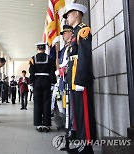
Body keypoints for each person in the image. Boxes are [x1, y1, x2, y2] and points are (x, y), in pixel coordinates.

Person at [63, 3, 96, 153]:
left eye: (68, 15)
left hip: (80, 80)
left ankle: (87, 147)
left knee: (84, 114)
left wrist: (81, 80)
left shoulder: (83, 30)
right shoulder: (75, 33)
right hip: (73, 80)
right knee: (78, 114)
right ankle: (82, 144)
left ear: (76, 13)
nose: (67, 18)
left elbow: (84, 57)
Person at [29, 42, 56, 132]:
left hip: (37, 82)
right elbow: (52, 71)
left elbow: (31, 72)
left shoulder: (33, 59)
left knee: (37, 103)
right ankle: (46, 124)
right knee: (47, 103)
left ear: (37, 49)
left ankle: (38, 124)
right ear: (45, 49)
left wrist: (31, 83)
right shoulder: (50, 58)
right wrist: (52, 83)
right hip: (47, 82)